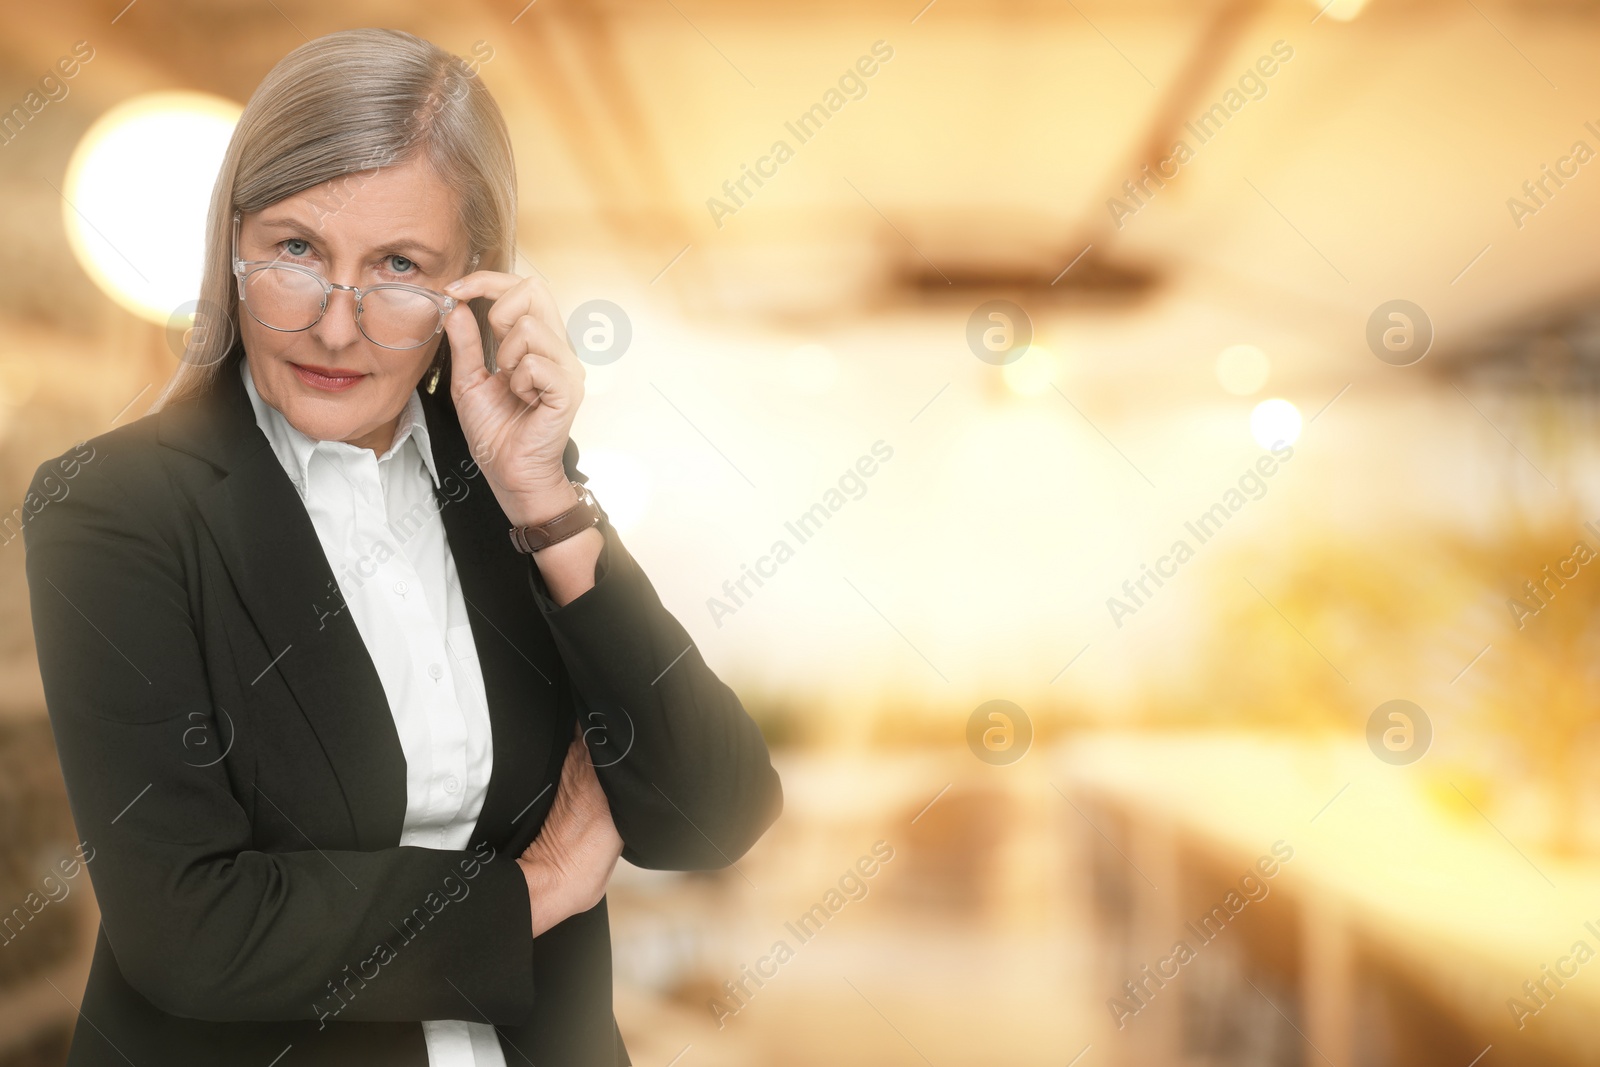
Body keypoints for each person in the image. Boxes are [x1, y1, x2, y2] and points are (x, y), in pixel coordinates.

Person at [22, 27, 781, 1067]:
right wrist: (539, 884)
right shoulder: (114, 506)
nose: (338, 327)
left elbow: (713, 809)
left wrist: (546, 504)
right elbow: (193, 929)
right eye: (296, 251)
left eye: (397, 267)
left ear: (470, 288)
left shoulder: (502, 487)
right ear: (231, 247)